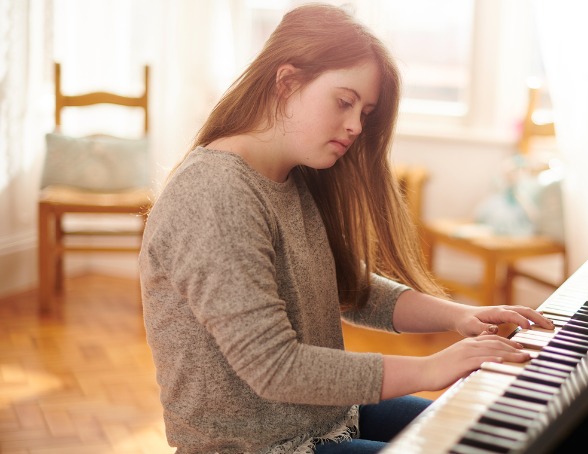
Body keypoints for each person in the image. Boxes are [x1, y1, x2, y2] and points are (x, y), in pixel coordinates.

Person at [139, 4, 554, 453]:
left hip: (328, 416)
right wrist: (433, 368)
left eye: (365, 111)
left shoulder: (290, 178)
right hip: (259, 446)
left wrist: (459, 317)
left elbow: (351, 289)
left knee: (495, 436)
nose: (356, 125)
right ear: (286, 82)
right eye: (344, 102)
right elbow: (274, 367)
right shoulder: (215, 193)